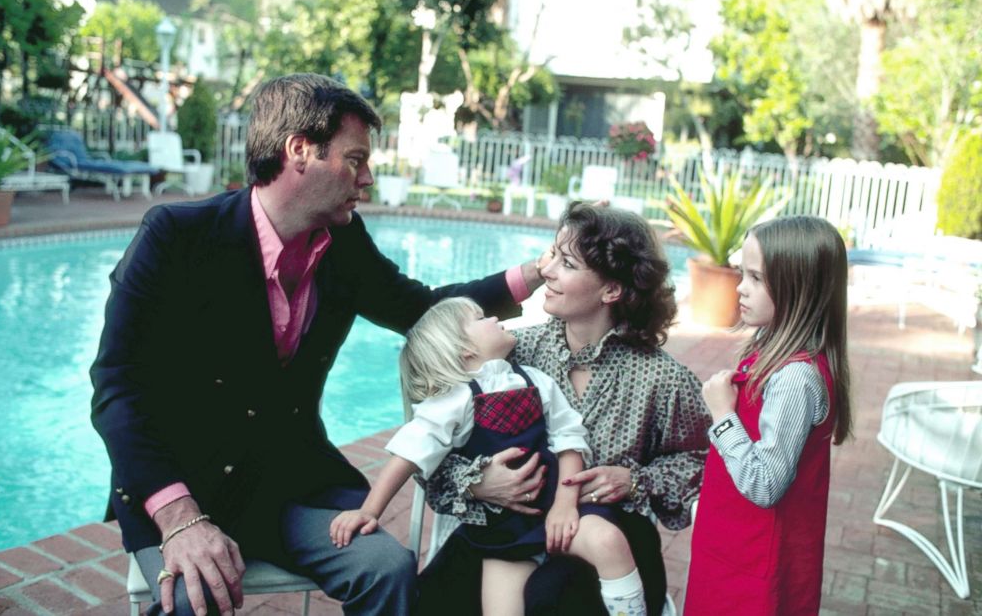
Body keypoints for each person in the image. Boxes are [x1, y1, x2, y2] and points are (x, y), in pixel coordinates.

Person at [89, 73, 545, 616]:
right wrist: (179, 517)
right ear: (299, 151)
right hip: (184, 487)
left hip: (288, 483)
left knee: (386, 568)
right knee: (193, 598)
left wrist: (538, 272)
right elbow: (117, 388)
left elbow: (418, 309)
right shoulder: (177, 237)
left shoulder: (342, 241)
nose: (368, 178)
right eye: (355, 159)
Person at [418, 203, 712, 615]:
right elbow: (432, 461)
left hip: (612, 533)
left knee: (550, 597)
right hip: (515, 528)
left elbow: (701, 464)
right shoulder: (512, 353)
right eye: (553, 255)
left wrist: (636, 480)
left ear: (611, 290)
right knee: (429, 600)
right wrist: (480, 482)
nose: (549, 271)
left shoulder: (664, 379)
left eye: (567, 263)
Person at [330, 297, 648, 615]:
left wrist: (565, 506)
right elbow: (410, 453)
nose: (494, 317)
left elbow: (570, 440)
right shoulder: (454, 399)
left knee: (607, 541)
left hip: (558, 508)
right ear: (464, 349)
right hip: (505, 535)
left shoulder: (536, 380)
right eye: (480, 318)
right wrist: (370, 511)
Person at [683, 215, 853, 615]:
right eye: (743, 273)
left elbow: (765, 484)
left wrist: (723, 416)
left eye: (756, 278)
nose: (741, 287)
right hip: (733, 548)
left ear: (800, 289)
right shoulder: (769, 346)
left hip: (756, 567)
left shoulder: (795, 378)